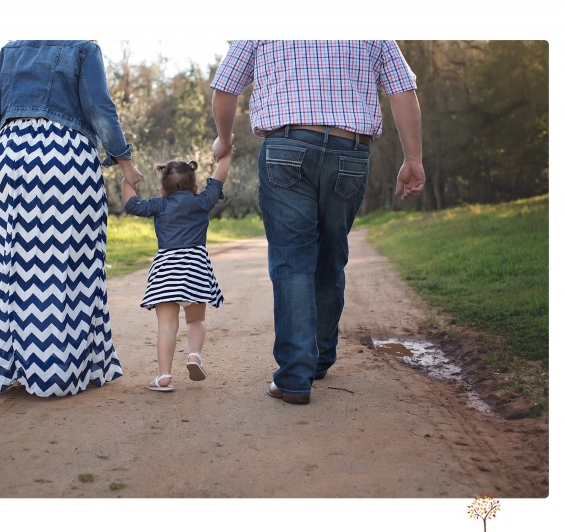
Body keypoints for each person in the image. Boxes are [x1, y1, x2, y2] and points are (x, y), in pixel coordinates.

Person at [210, 40, 425, 405]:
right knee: (330, 256)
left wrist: (224, 138)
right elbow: (403, 91)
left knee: (292, 261)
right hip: (350, 150)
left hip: (286, 147)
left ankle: (295, 376)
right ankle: (320, 358)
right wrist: (414, 159)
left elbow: (226, 87)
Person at [0, 40, 142, 397]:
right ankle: (58, 370)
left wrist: (17, 130)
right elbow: (99, 107)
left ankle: (15, 366)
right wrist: (124, 162)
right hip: (64, 156)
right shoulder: (83, 48)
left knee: (11, 263)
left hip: (8, 153)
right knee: (68, 262)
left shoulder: (11, 49)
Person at [122, 149, 235, 391]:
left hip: (166, 271)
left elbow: (131, 205)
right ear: (195, 187)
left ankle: (164, 376)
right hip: (195, 269)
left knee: (167, 326)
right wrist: (226, 154)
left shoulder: (159, 204)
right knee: (196, 320)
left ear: (163, 190)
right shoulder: (202, 200)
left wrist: (126, 180)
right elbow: (218, 180)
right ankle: (194, 356)